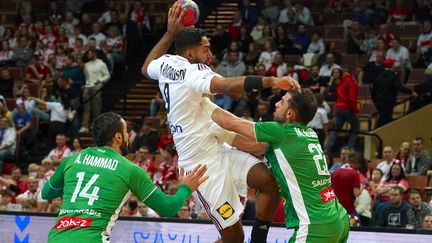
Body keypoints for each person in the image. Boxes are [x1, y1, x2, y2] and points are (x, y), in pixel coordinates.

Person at [141, 5, 300, 243]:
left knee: (268, 182)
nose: (210, 53)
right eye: (205, 49)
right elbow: (226, 86)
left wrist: (170, 33)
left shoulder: (166, 63)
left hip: (218, 147)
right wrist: (272, 81)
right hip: (201, 167)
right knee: (233, 238)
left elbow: (145, 68)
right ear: (190, 54)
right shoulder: (192, 73)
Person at [200, 90, 349, 242]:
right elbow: (255, 147)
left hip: (316, 224)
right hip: (338, 217)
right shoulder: (309, 133)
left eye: (282, 102)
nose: (276, 103)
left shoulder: (280, 131)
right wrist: (222, 135)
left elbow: (231, 123)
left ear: (290, 113)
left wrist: (202, 101)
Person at [41, 112, 208, 242]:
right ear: (118, 137)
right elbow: (169, 208)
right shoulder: (130, 170)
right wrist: (186, 187)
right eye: (126, 131)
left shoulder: (71, 160)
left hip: (56, 237)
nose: (128, 136)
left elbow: (46, 193)